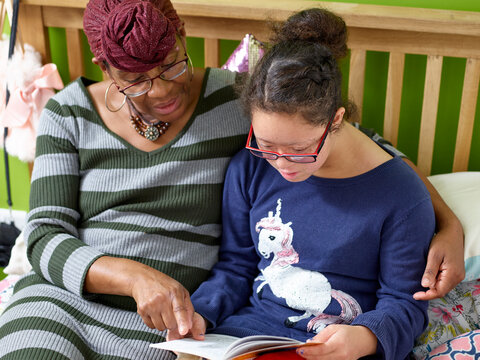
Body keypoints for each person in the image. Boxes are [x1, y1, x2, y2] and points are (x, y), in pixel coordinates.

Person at [0, 0, 463, 359]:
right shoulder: (69, 112)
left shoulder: (240, 100)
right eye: (135, 81)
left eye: (169, 66)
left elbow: (358, 149)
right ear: (105, 69)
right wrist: (138, 281)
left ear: (182, 37)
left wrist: (448, 222)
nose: (160, 90)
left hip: (179, 324)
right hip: (73, 303)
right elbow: (42, 237)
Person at [170, 8, 438, 360]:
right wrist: (199, 313)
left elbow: (404, 304)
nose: (281, 164)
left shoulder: (400, 195)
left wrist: (365, 338)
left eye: (300, 150)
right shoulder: (249, 169)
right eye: (266, 146)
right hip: (248, 336)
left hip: (340, 345)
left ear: (336, 120)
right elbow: (236, 266)